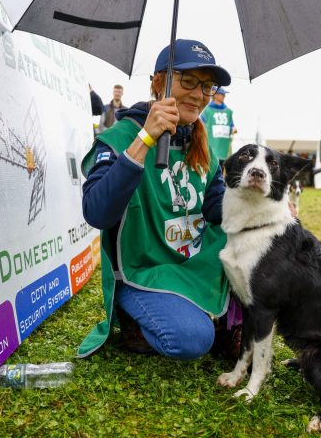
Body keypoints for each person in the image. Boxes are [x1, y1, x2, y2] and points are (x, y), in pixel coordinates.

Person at [78, 39, 234, 360]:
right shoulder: (121, 136)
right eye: (187, 80)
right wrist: (146, 139)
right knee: (191, 339)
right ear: (158, 82)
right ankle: (136, 317)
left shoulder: (203, 146)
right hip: (144, 272)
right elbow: (96, 212)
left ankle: (216, 318)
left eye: (207, 86)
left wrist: (258, 203)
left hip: (191, 265)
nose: (198, 94)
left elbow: (218, 210)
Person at [200, 86, 236, 165]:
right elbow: (200, 126)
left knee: (222, 169)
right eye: (222, 94)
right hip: (210, 148)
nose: (224, 96)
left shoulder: (228, 112)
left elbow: (232, 126)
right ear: (215, 95)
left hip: (224, 149)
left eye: (224, 95)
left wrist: (233, 130)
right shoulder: (206, 110)